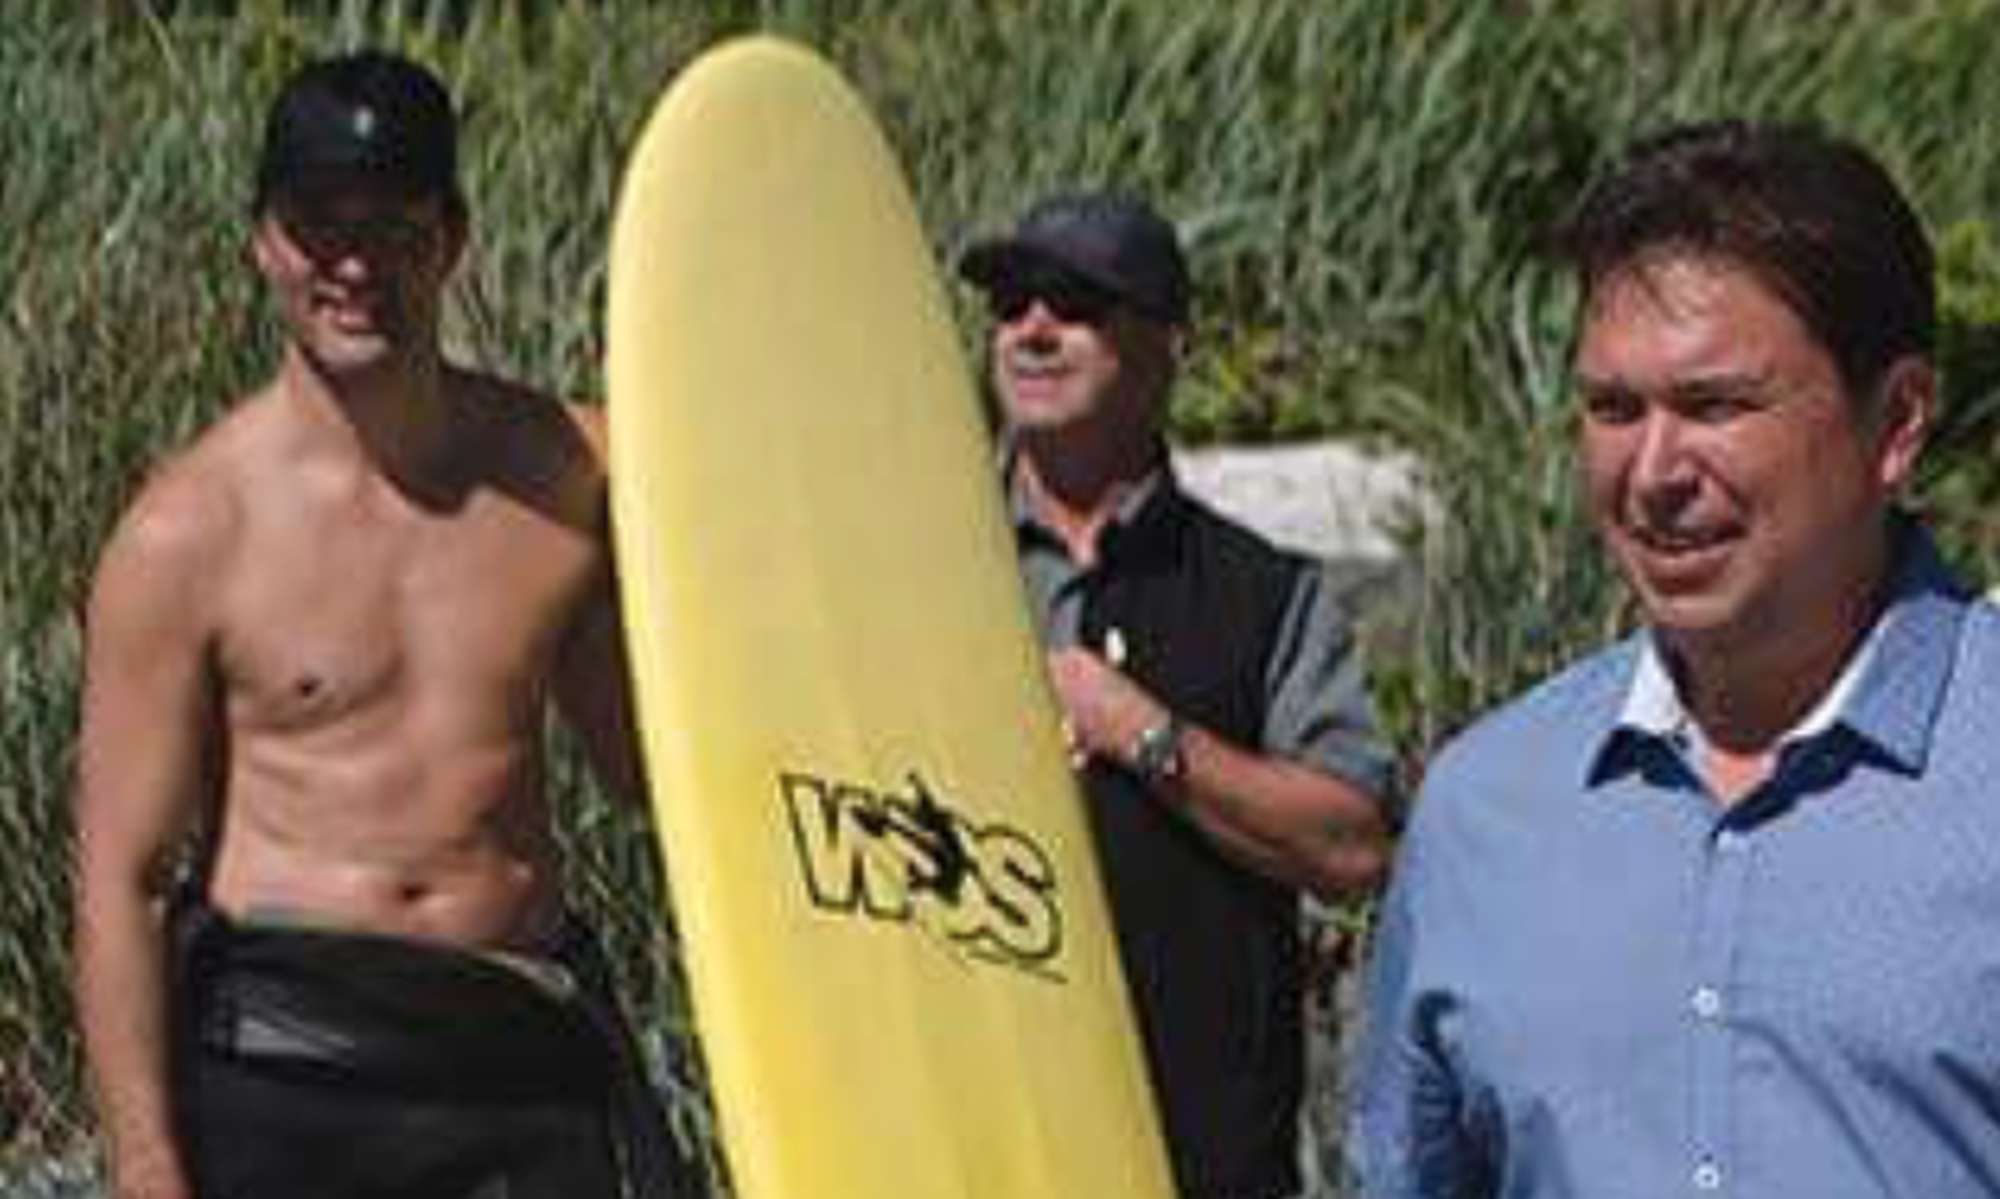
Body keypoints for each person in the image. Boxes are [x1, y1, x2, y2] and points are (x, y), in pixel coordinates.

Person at [71, 52, 689, 1199]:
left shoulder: (568, 472)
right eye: (318, 227)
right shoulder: (183, 536)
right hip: (295, 1063)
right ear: (264, 241)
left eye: (394, 228)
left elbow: (649, 769)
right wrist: (148, 1161)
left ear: (450, 241)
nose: (353, 265)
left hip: (516, 1045)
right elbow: (127, 875)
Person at [1347, 120, 1999, 1197]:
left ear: (1894, 422)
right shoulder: (1484, 808)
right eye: (1612, 408)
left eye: (1713, 405)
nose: (1650, 470)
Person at [957, 192, 1394, 1199]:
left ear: (1164, 347)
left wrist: (1141, 734)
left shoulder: (1263, 594)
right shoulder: (919, 563)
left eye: (1073, 302)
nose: (1030, 326)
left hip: (1199, 1157)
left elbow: (1351, 845)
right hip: (963, 1140)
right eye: (1011, 300)